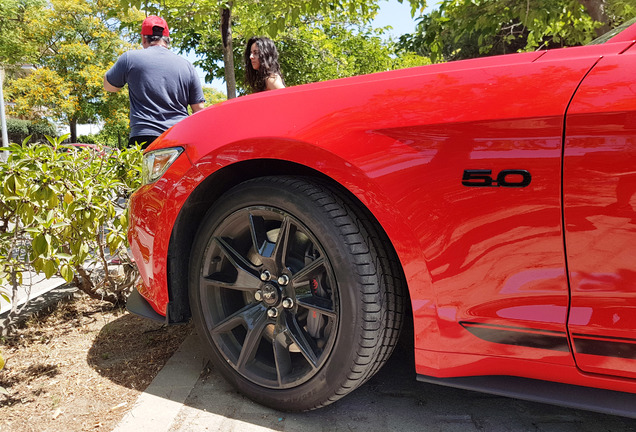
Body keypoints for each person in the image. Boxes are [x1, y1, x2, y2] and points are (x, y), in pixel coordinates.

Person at [104, 16, 205, 149]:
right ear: (168, 40)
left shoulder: (129, 59)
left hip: (142, 139)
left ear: (143, 39)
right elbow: (199, 110)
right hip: (178, 139)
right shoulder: (187, 66)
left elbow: (109, 86)